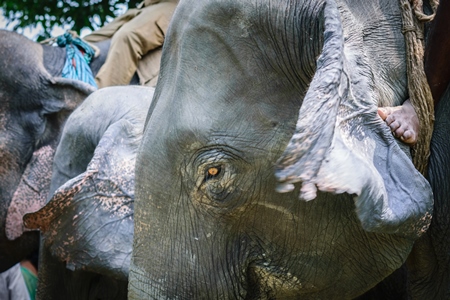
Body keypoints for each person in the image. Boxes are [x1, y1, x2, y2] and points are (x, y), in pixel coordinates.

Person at [83, 0, 179, 88]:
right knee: (85, 41)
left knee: (127, 36)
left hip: (173, 3)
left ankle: (99, 96)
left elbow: (128, 37)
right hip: (145, 5)